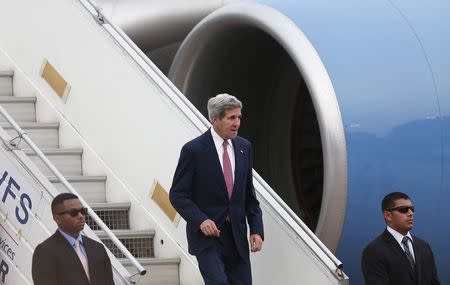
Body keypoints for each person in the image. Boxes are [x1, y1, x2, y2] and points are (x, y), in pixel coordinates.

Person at [169, 93, 264, 285]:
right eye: (231, 118)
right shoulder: (193, 150)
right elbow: (178, 194)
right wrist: (200, 219)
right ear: (215, 119)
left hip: (237, 238)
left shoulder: (245, 147)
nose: (237, 122)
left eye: (238, 117)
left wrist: (256, 229)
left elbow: (248, 195)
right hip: (207, 238)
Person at [32, 193, 114, 285]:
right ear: (57, 218)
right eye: (74, 213)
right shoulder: (45, 251)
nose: (81, 216)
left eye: (83, 211)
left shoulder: (97, 248)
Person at [361, 192, 440, 285]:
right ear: (388, 215)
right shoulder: (374, 251)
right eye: (403, 209)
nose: (411, 213)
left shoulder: (424, 246)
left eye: (412, 209)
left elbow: (434, 282)